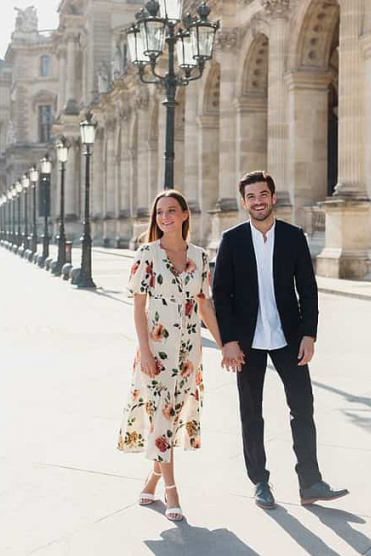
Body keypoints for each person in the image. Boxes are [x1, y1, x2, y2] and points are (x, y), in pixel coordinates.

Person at [212, 170, 349, 509]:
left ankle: (310, 481)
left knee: (303, 408)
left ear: (273, 197)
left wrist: (309, 334)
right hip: (246, 341)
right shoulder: (232, 240)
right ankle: (260, 481)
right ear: (244, 202)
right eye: (251, 196)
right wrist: (227, 340)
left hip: (289, 337)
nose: (258, 201)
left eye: (263, 194)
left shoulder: (293, 236)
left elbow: (308, 289)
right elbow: (220, 294)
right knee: (251, 413)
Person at [117, 190, 223, 522]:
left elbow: (204, 304)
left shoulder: (200, 256)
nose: (165, 217)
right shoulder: (146, 254)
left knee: (174, 417)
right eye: (160, 212)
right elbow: (138, 308)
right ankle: (172, 490)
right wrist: (145, 351)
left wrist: (224, 344)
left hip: (189, 350)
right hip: (156, 351)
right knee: (160, 416)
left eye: (171, 211)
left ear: (184, 214)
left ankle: (151, 478)